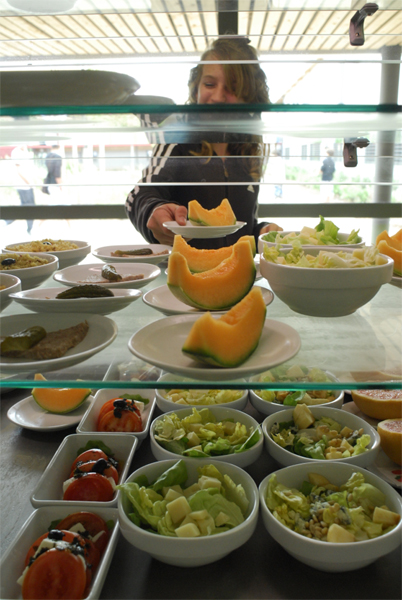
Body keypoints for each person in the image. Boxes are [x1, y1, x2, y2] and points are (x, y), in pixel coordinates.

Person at [125, 37, 282, 249]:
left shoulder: (248, 151)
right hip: (187, 273)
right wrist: (154, 210)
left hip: (235, 274)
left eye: (233, 88)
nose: (218, 97)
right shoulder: (178, 139)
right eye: (210, 84)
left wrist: (261, 230)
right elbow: (140, 196)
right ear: (195, 88)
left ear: (249, 96)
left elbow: (239, 227)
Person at [7, 145, 36, 234]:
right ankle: (29, 230)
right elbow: (19, 170)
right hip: (23, 186)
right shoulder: (17, 152)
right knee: (29, 208)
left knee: (26, 207)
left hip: (27, 185)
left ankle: (29, 229)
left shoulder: (25, 151)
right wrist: (29, 183)